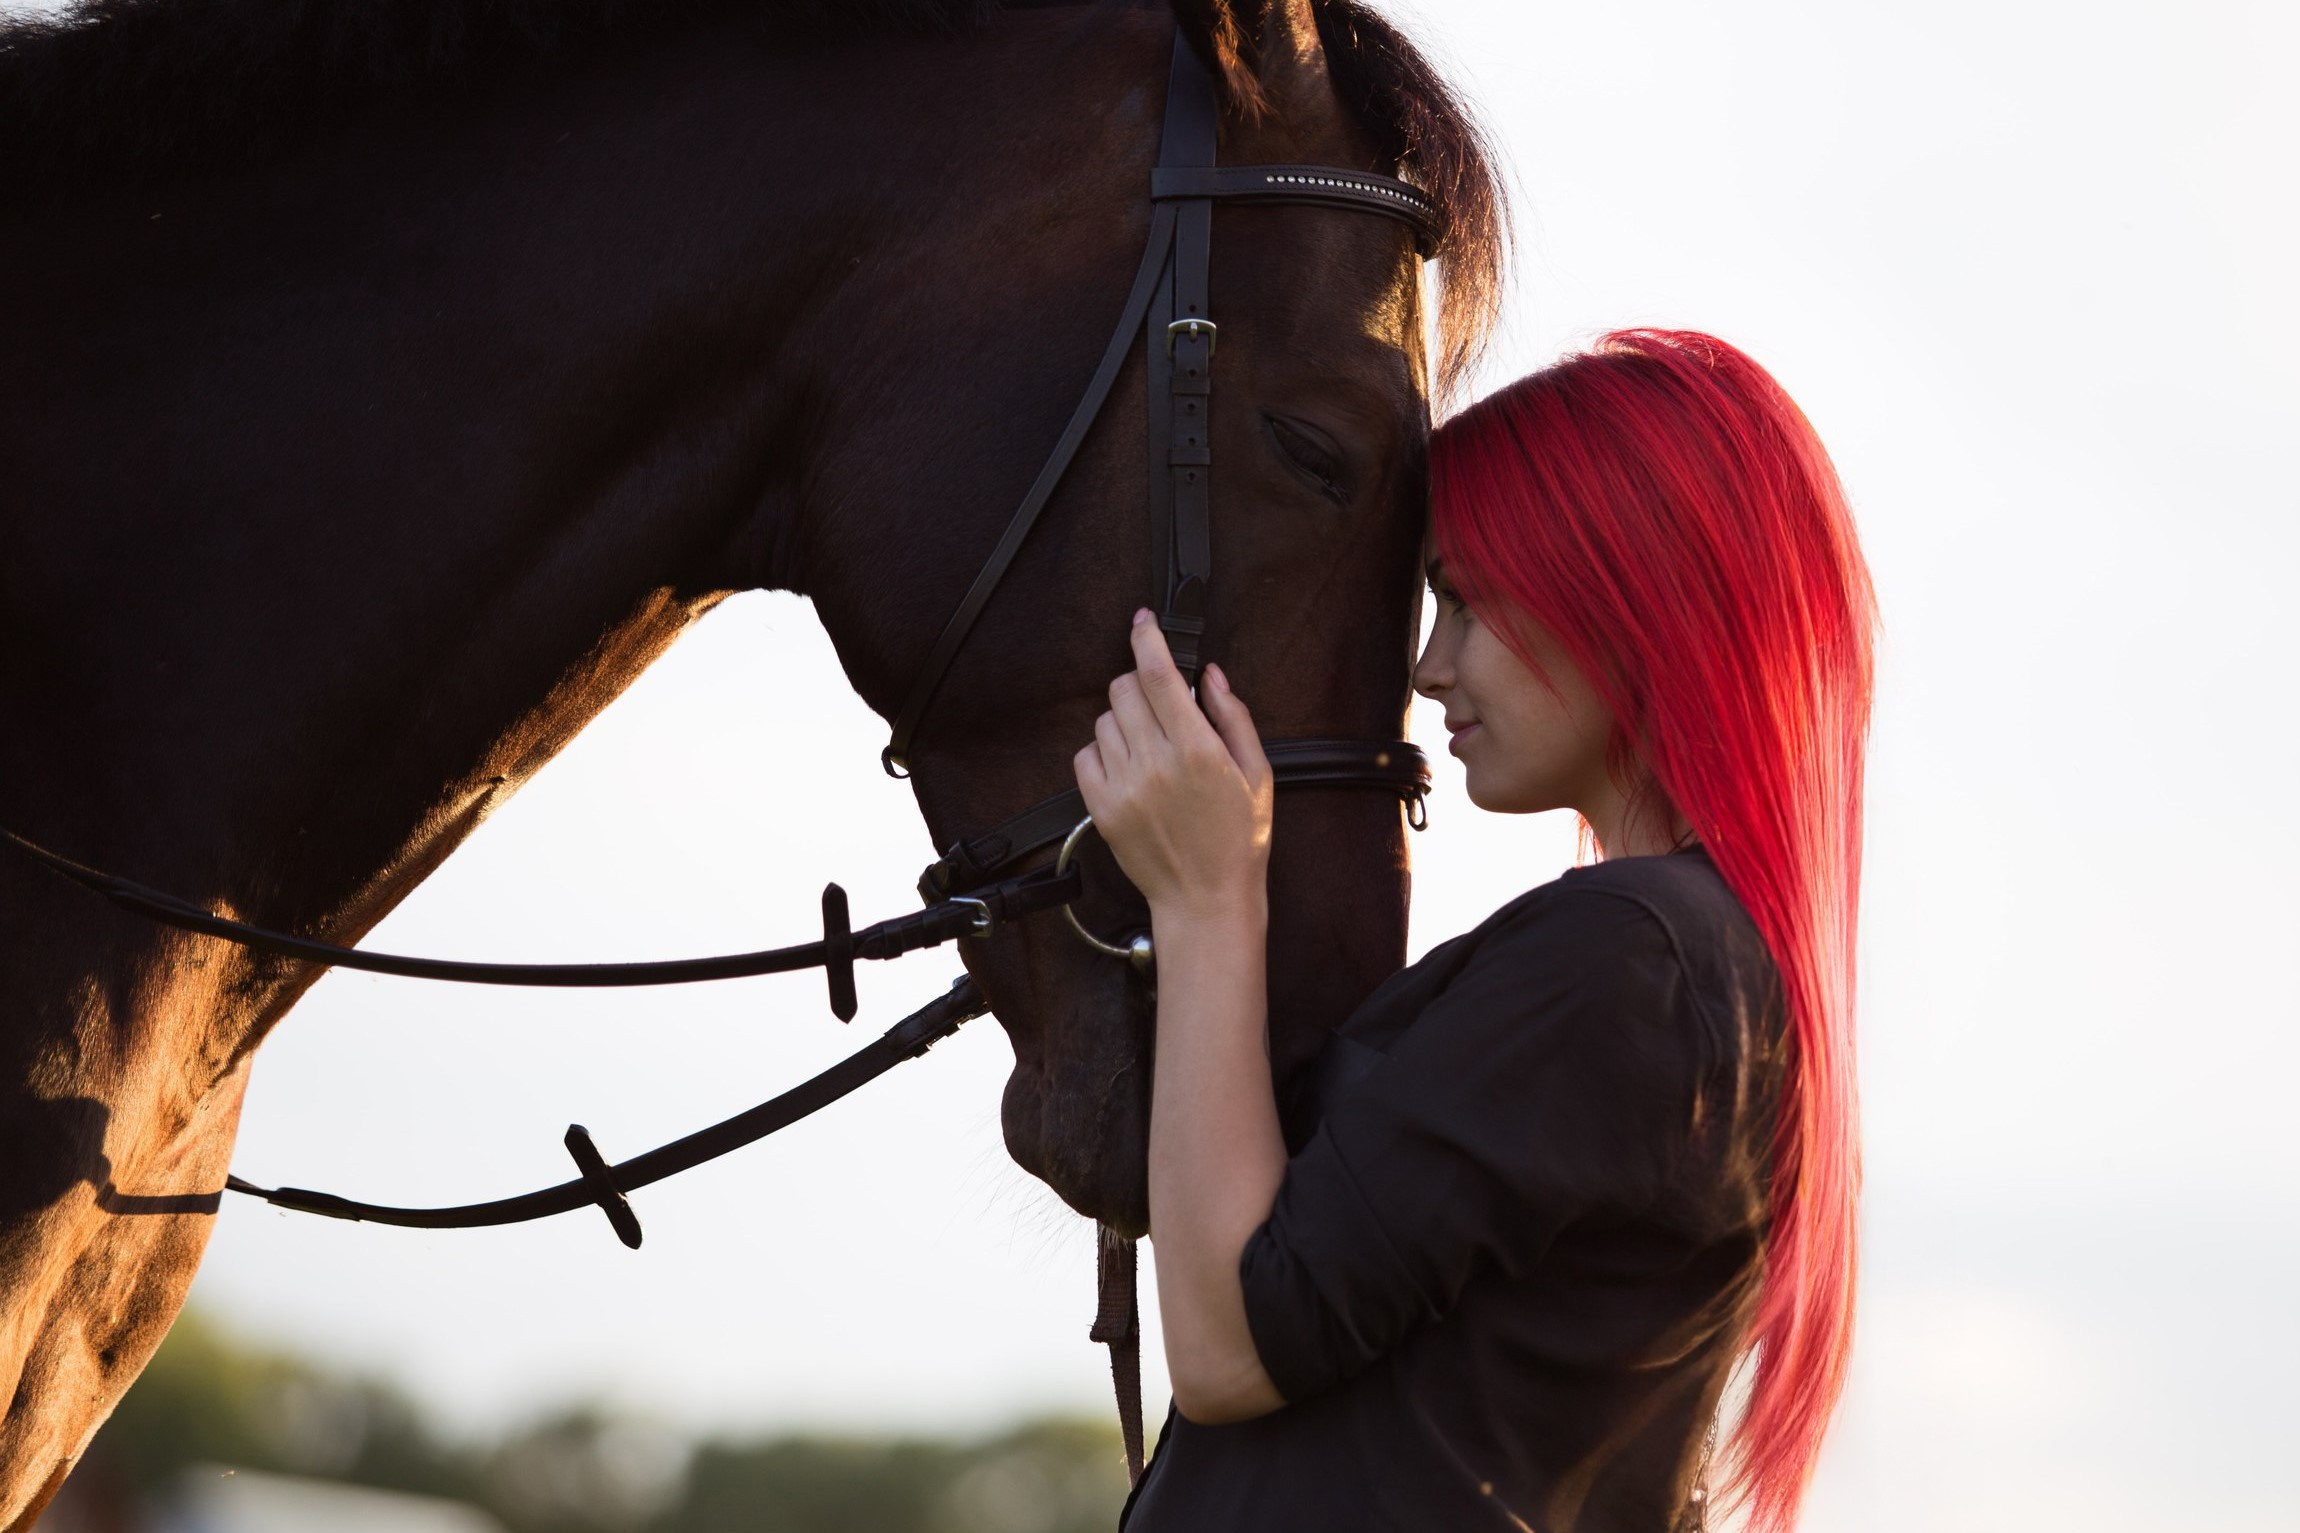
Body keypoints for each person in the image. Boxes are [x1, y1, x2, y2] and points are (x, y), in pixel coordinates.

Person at [1075, 330, 1877, 1533]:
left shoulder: (1629, 958)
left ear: (1629, 587)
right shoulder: (1693, 963)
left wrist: (1205, 900)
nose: (1426, 664)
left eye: (1465, 599)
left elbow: (1233, 1349)